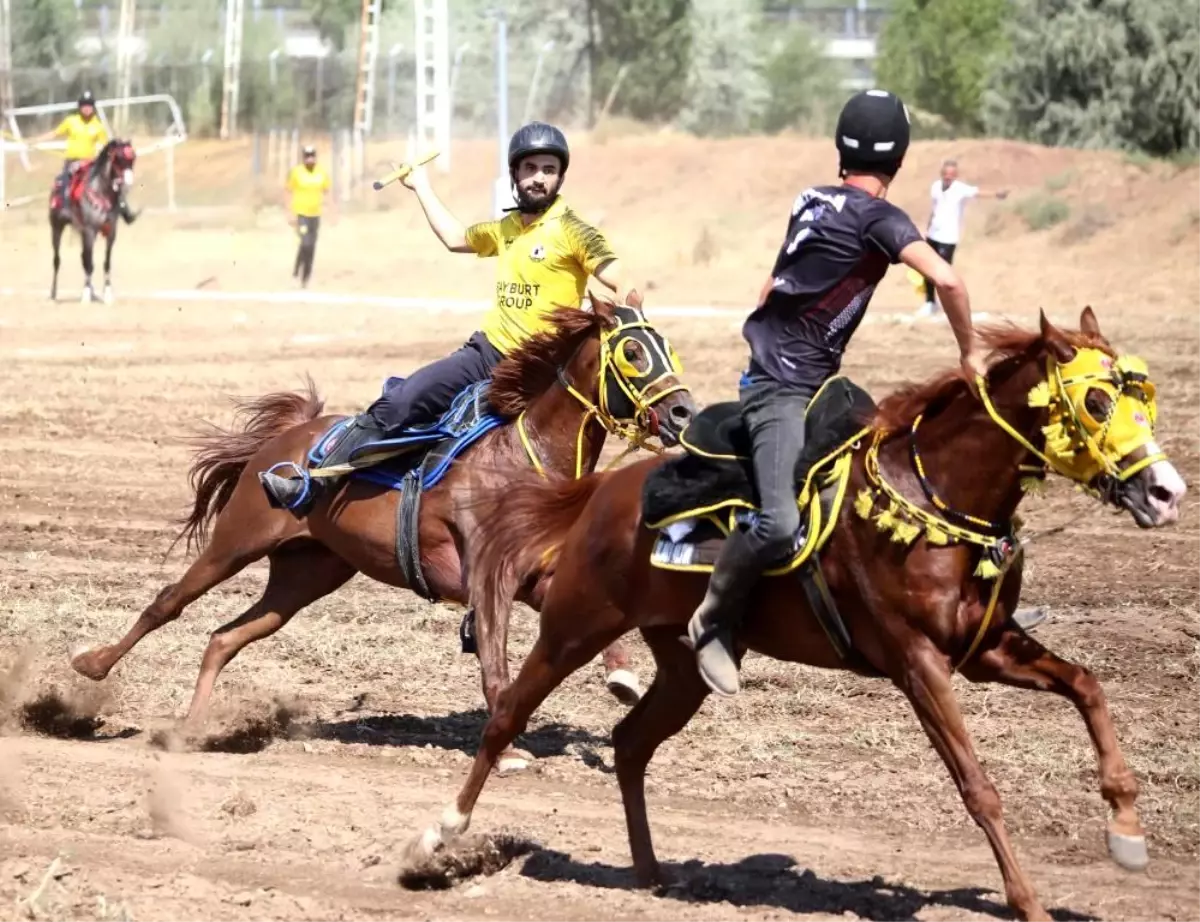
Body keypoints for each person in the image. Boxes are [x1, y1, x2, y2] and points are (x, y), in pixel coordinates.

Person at [685, 89, 989, 698]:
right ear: (900, 158)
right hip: (779, 390)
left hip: (821, 385)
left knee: (894, 484)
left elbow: (771, 284)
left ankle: (971, 606)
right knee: (776, 523)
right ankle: (713, 620)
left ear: (840, 148)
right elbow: (949, 281)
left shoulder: (811, 199)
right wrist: (970, 352)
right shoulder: (883, 220)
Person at [260, 121, 626, 513]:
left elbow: (621, 282)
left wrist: (590, 315)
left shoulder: (575, 232)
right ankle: (313, 483)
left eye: (549, 170)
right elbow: (455, 237)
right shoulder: (507, 228)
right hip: (486, 356)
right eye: (530, 168)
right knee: (402, 402)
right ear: (515, 175)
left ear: (561, 177)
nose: (539, 178)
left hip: (539, 372)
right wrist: (421, 186)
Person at [918, 158, 1007, 318]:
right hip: (933, 234)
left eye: (951, 175)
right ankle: (930, 303)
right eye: (945, 174)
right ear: (941, 174)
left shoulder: (960, 189)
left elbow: (978, 192)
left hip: (948, 237)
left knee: (943, 273)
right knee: (927, 269)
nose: (948, 177)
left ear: (956, 175)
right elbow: (935, 208)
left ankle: (948, 305)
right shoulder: (935, 187)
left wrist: (996, 194)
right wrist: (927, 228)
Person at [37, 91, 137, 224]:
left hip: (89, 163)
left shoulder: (97, 125)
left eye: (89, 105)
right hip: (72, 161)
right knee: (64, 182)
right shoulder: (71, 121)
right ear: (79, 107)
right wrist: (36, 140)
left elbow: (105, 145)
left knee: (111, 182)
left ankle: (124, 210)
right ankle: (65, 209)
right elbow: (55, 133)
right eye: (84, 105)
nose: (87, 108)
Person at [286, 145, 334, 288]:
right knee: (305, 243)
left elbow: (327, 192)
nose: (310, 158)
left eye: (312, 155)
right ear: (303, 157)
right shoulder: (297, 173)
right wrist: (289, 213)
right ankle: (296, 271)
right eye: (307, 156)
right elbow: (288, 191)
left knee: (311, 246)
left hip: (315, 215)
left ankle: (305, 277)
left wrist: (332, 211)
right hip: (301, 214)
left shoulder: (321, 173)